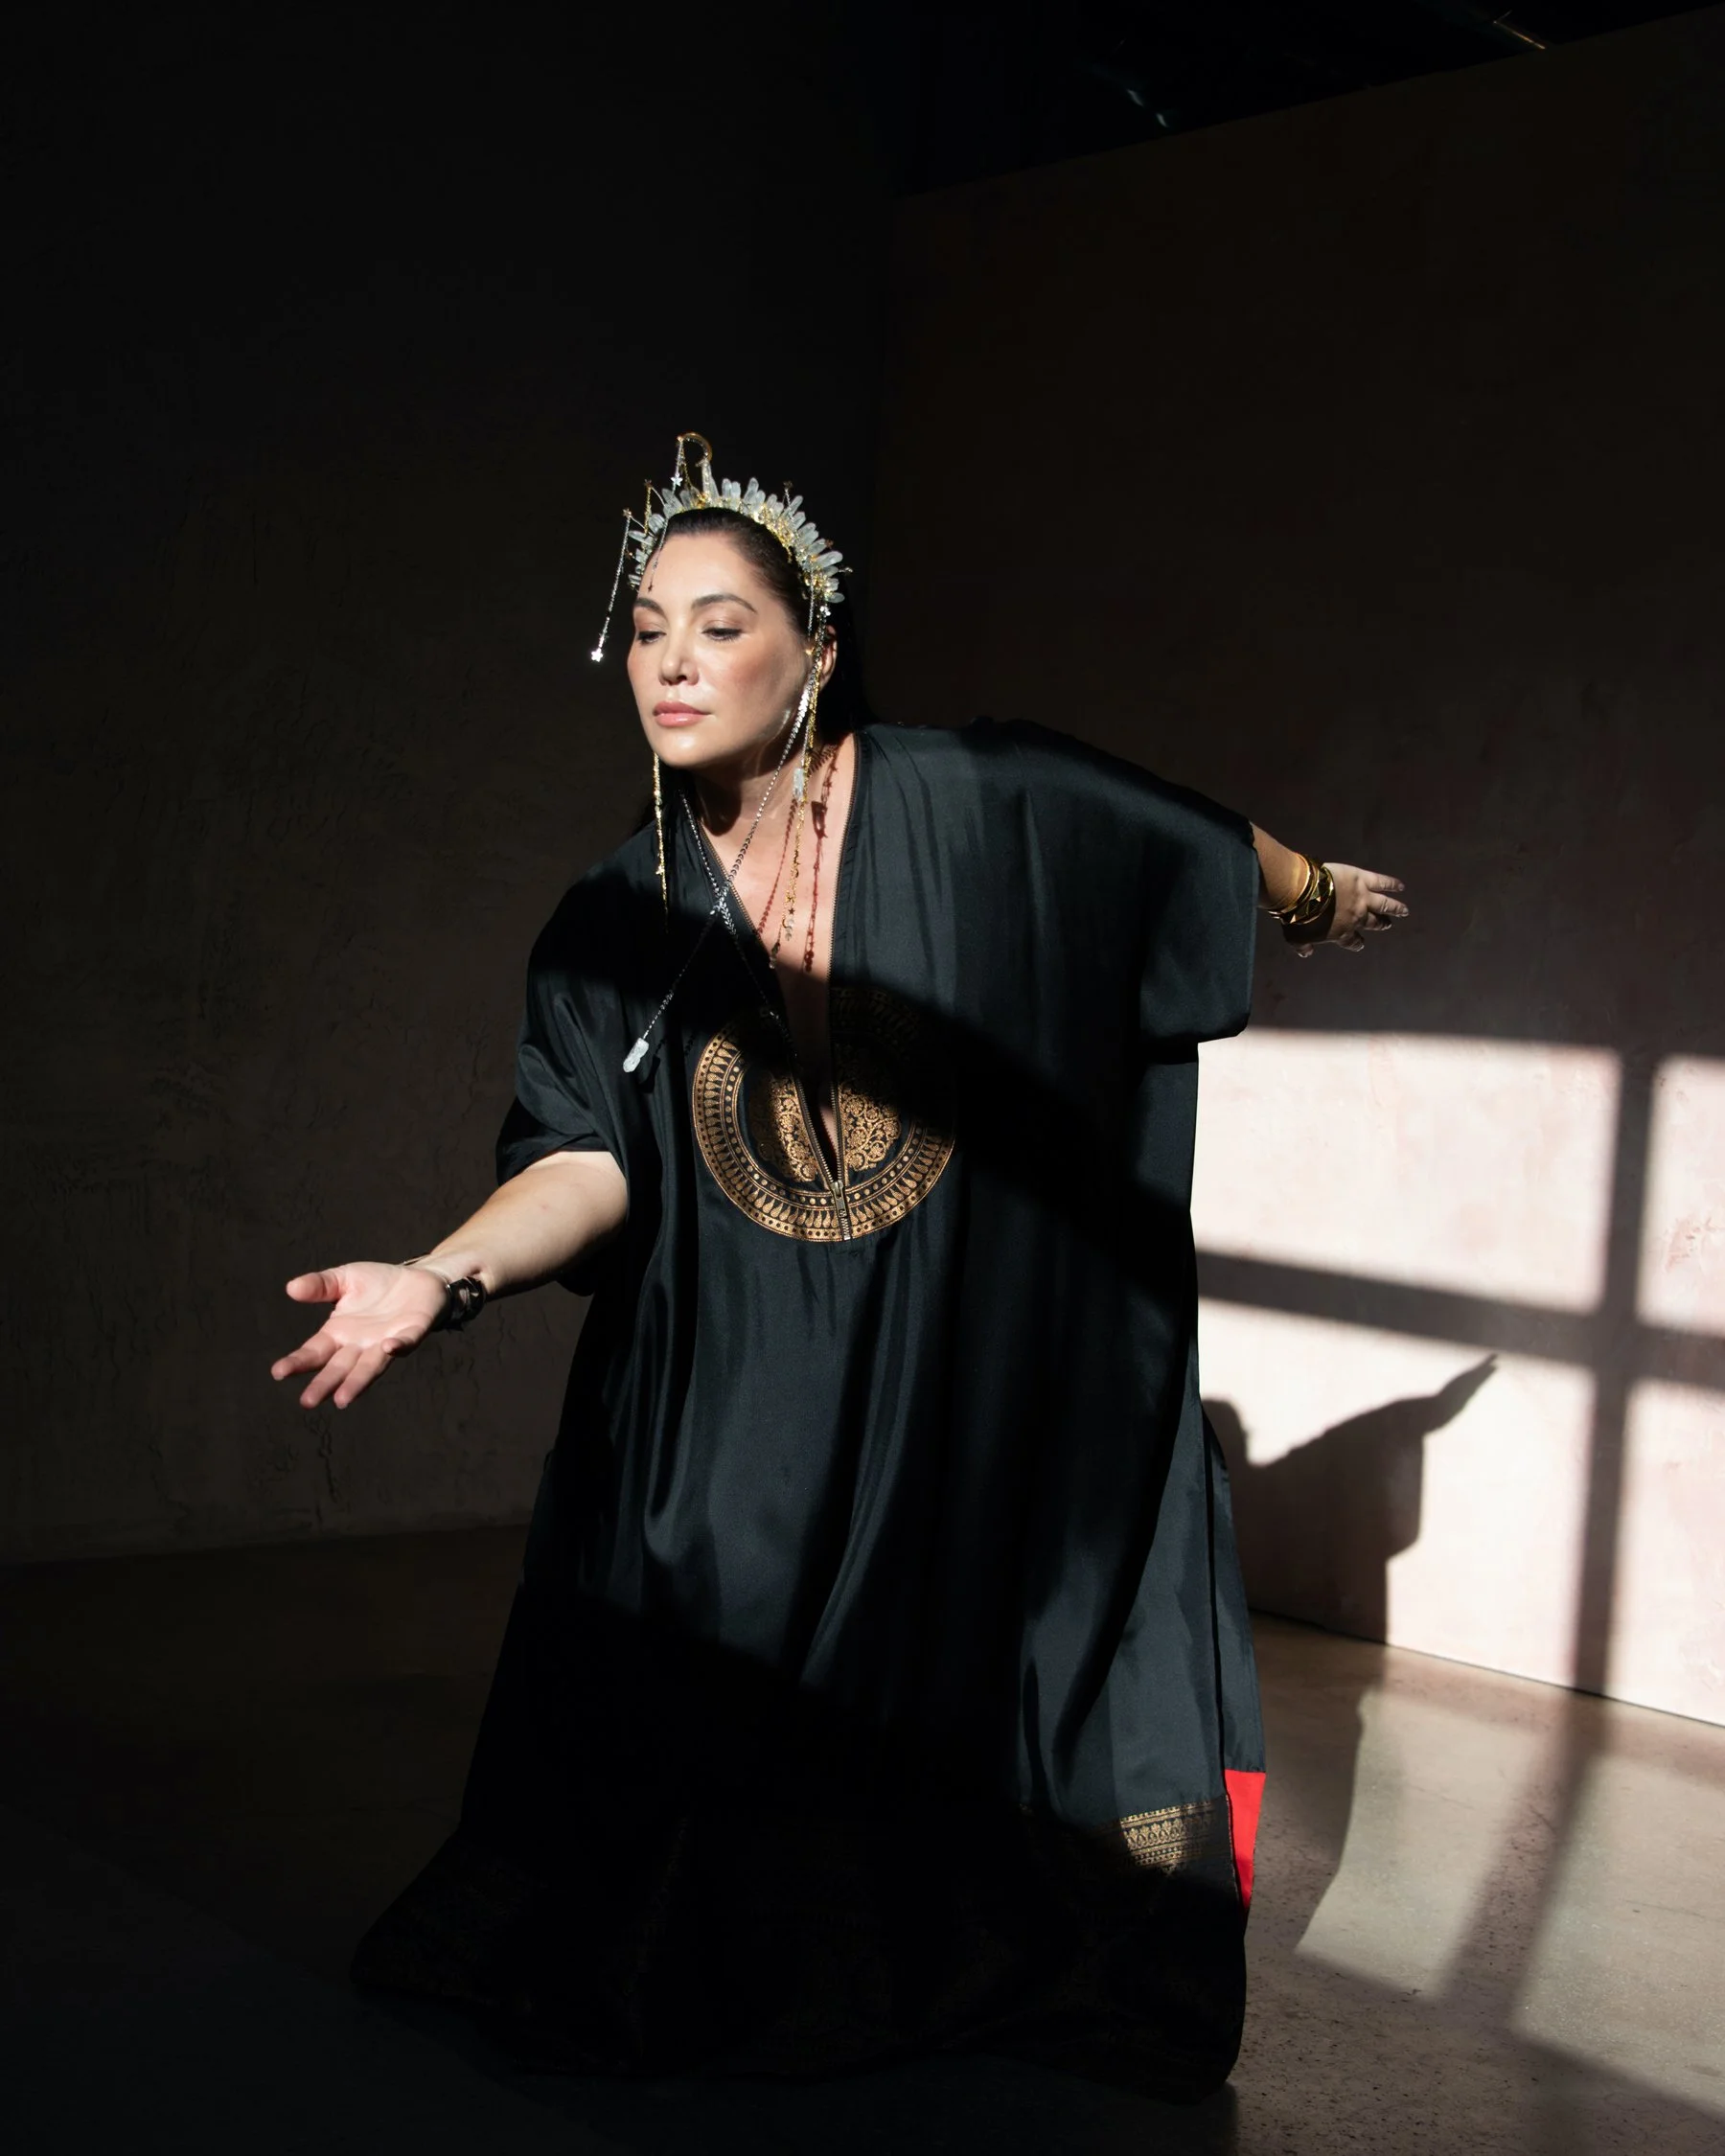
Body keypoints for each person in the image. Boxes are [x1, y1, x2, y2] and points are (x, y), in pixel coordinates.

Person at [271, 433, 1407, 2099]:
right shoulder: (610, 916)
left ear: (812, 646)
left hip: (951, 1371)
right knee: (692, 1763)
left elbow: (1150, 828)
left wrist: (1303, 891)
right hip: (718, 1395)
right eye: (646, 626)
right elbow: (586, 1158)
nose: (670, 659)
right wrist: (440, 1278)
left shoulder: (976, 801)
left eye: (718, 624)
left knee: (985, 1709)